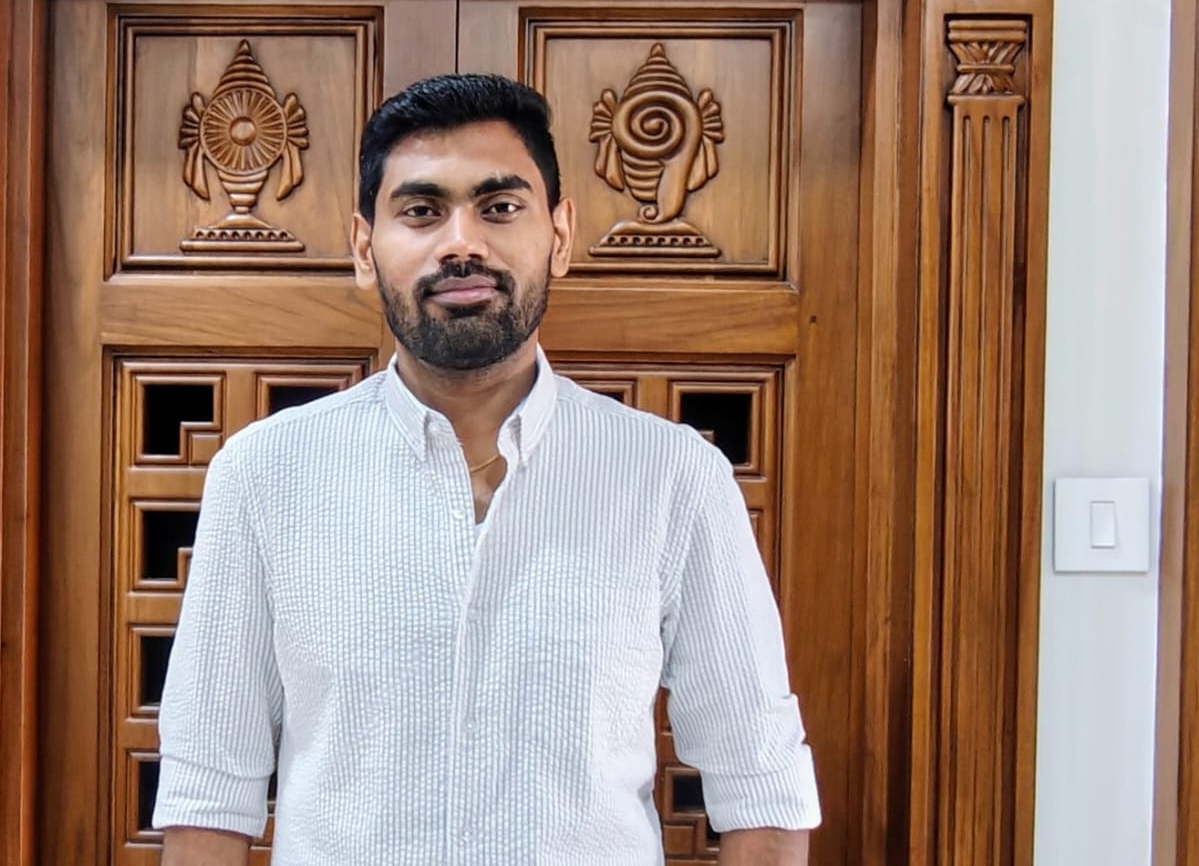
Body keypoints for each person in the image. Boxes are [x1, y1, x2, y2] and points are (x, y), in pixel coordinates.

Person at [154, 73, 819, 864]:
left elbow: (760, 783)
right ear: (364, 248)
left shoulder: (673, 478)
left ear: (559, 234)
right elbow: (208, 792)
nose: (460, 243)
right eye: (421, 210)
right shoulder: (264, 475)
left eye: (499, 207)